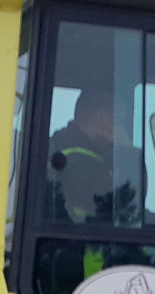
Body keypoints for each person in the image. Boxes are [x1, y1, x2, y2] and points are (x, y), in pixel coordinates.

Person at [46, 80, 140, 225]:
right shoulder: (73, 159)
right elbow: (126, 204)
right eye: (120, 120)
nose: (123, 128)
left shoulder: (64, 146)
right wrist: (128, 152)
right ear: (100, 117)